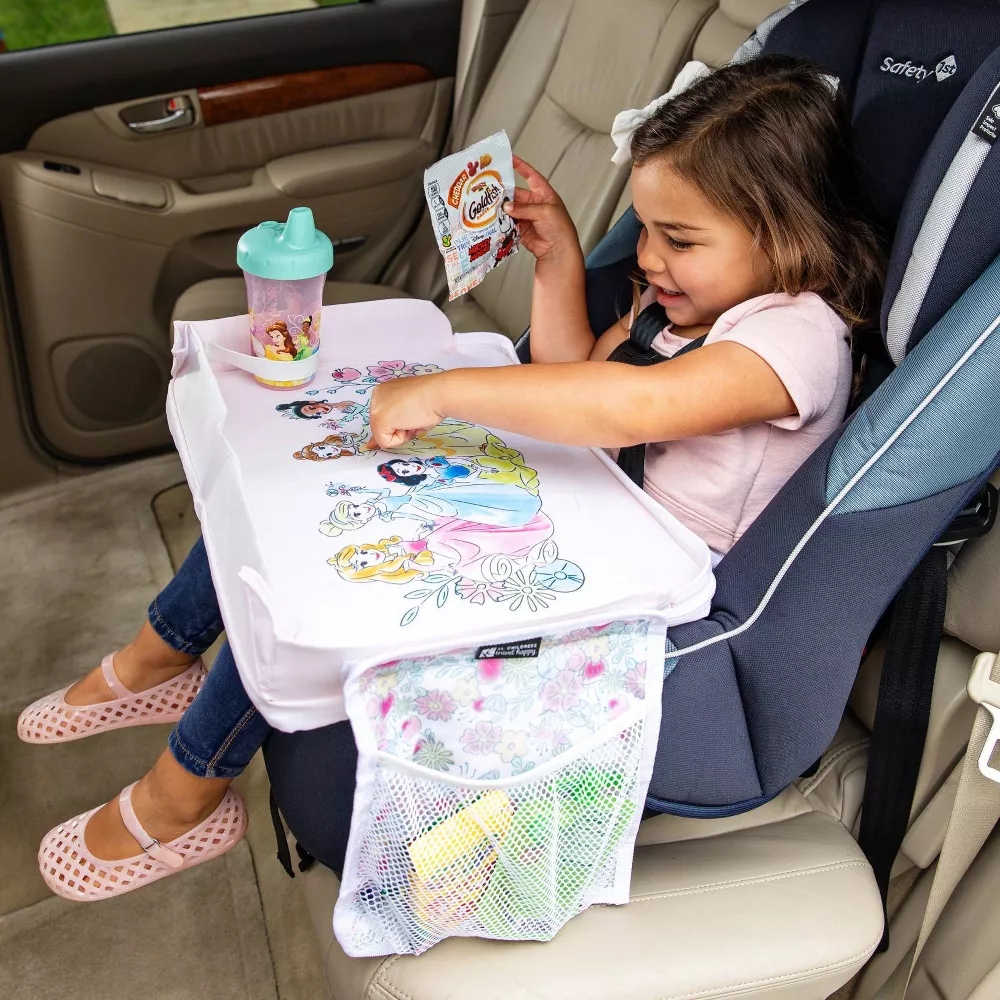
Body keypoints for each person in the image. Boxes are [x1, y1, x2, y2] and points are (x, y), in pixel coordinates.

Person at [20, 56, 884, 901]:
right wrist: (557, 261)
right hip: (591, 518)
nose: (650, 258)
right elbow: (575, 368)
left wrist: (443, 390)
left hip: (647, 598)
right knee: (307, 497)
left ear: (787, 234)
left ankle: (184, 796)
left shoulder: (795, 337)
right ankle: (158, 654)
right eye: (647, 230)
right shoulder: (686, 302)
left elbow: (628, 406)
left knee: (325, 581)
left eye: (679, 239)